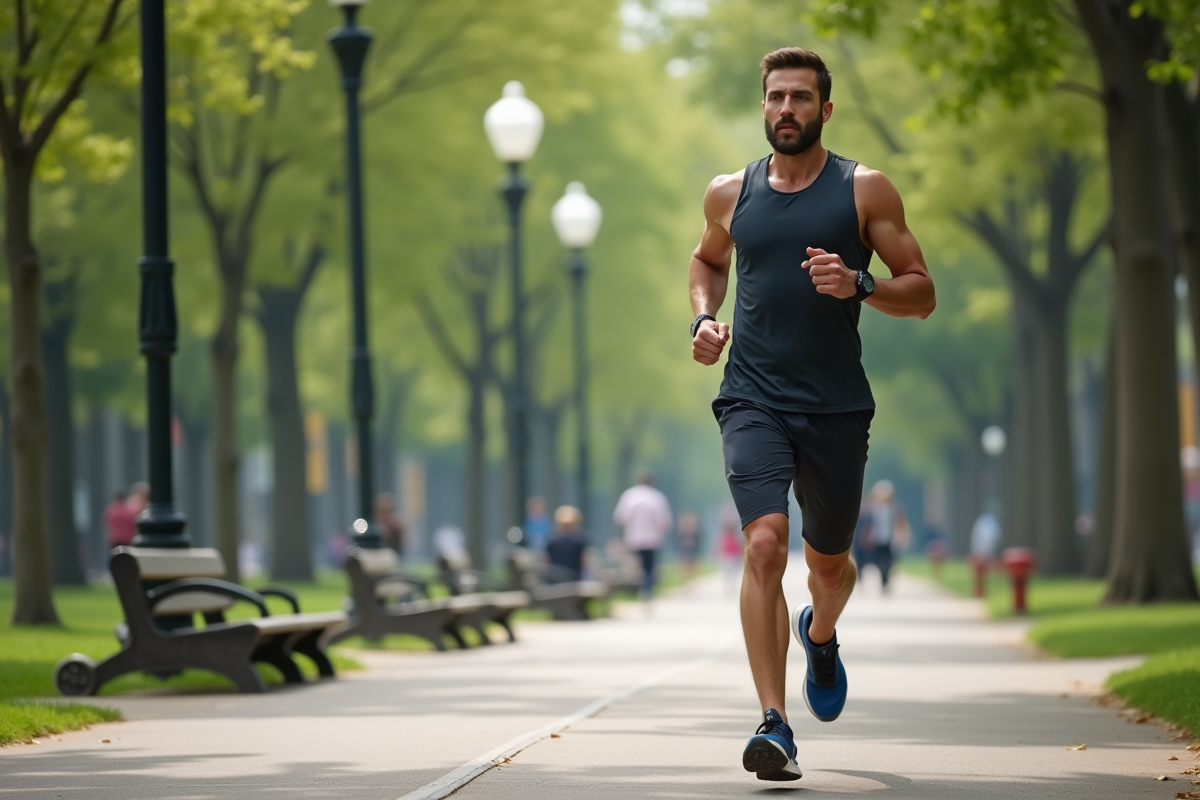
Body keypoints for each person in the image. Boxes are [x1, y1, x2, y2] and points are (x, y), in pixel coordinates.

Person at [689, 47, 935, 782]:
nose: (786, 109)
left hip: (835, 407)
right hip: (751, 397)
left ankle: (819, 635)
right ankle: (774, 724)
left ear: (825, 110)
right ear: (761, 107)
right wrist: (703, 321)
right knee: (764, 545)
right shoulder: (730, 194)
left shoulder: (864, 190)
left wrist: (859, 284)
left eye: (801, 98)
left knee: (829, 568)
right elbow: (707, 263)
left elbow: (920, 292)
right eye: (775, 97)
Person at [613, 471, 673, 602]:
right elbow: (664, 521)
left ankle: (638, 589)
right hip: (652, 539)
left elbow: (620, 518)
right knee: (649, 567)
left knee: (636, 567)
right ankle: (647, 590)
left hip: (633, 538)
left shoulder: (629, 496)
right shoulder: (657, 497)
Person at [859, 480, 909, 593]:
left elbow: (901, 522)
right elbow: (868, 524)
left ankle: (886, 580)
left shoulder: (895, 507)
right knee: (878, 560)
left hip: (890, 539)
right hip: (876, 539)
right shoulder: (873, 507)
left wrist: (902, 536)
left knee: (889, 561)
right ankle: (882, 578)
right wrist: (866, 536)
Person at [545, 505, 590, 581]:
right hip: (574, 581)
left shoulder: (551, 540)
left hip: (555, 582)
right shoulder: (580, 540)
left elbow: (547, 563)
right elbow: (584, 563)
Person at [374, 492, 408, 557]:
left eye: (388, 512)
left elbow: (403, 546)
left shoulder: (398, 528)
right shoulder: (372, 529)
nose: (385, 516)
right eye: (383, 512)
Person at [676, 511, 702, 585]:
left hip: (692, 549)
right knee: (684, 566)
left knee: (692, 566)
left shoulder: (694, 531)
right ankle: (685, 581)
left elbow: (698, 539)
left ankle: (690, 581)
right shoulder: (682, 531)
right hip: (684, 549)